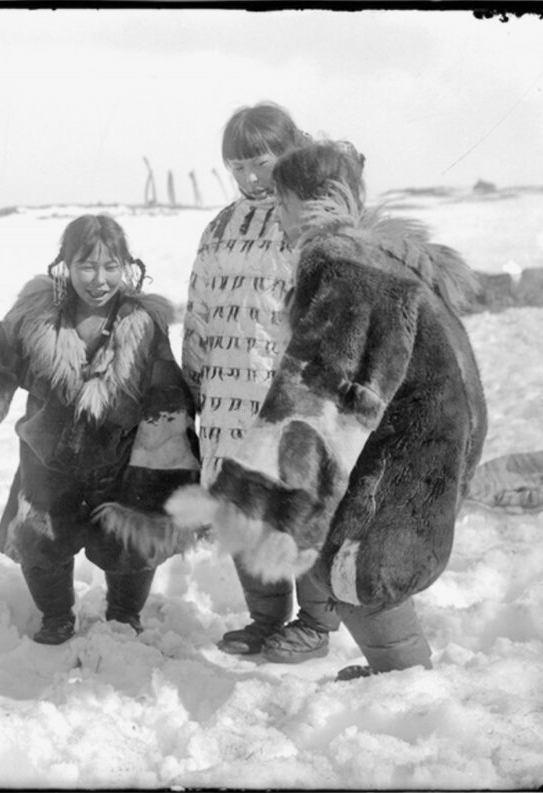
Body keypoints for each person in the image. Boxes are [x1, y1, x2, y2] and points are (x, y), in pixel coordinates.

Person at [167, 141, 488, 679]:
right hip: (429, 436)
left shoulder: (342, 265)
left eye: (285, 206)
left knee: (363, 565)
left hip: (409, 448)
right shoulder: (371, 254)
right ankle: (401, 674)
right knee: (364, 564)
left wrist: (253, 494)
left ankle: (406, 681)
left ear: (314, 202)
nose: (281, 221)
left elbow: (324, 389)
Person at [0, 215, 200, 645]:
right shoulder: (35, 319)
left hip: (119, 459)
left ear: (127, 267)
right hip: (48, 460)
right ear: (65, 264)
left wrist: (169, 462)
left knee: (131, 540)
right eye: (87, 266)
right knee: (40, 540)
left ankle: (124, 613)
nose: (99, 280)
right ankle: (56, 615)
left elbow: (165, 391)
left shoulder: (143, 323)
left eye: (111, 267)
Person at [181, 102, 340, 663]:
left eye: (261, 163)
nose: (250, 177)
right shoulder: (219, 226)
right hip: (227, 399)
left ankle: (316, 623)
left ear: (290, 152)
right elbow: (199, 307)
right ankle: (264, 618)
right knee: (244, 508)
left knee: (301, 507)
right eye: (238, 167)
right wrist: (192, 380)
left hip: (291, 394)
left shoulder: (310, 220)